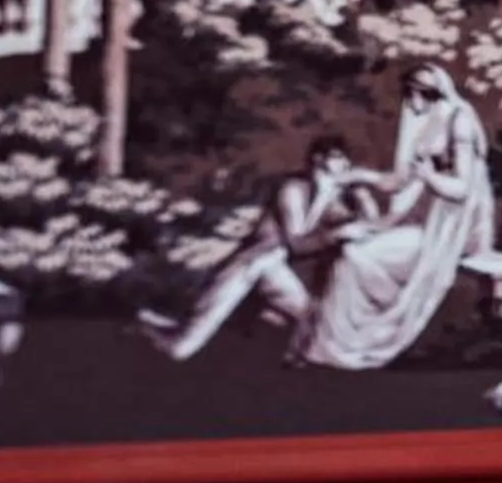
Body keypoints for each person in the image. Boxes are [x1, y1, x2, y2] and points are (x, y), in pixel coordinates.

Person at [293, 64, 494, 371]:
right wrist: (357, 176)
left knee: (357, 256)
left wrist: (429, 177)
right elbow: (398, 181)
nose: (415, 99)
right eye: (411, 90)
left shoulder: (460, 120)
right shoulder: (428, 122)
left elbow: (462, 189)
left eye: (424, 92)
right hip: (432, 218)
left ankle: (348, 345)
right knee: (355, 249)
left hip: (456, 225)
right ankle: (338, 344)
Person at [142, 139, 385, 361]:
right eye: (337, 157)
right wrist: (336, 234)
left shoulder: (334, 199)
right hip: (260, 265)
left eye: (346, 159)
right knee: (262, 262)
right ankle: (183, 342)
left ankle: (184, 333)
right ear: (318, 159)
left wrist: (363, 192)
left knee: (312, 316)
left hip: (291, 282)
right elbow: (296, 243)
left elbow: (372, 227)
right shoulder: (294, 189)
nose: (344, 164)